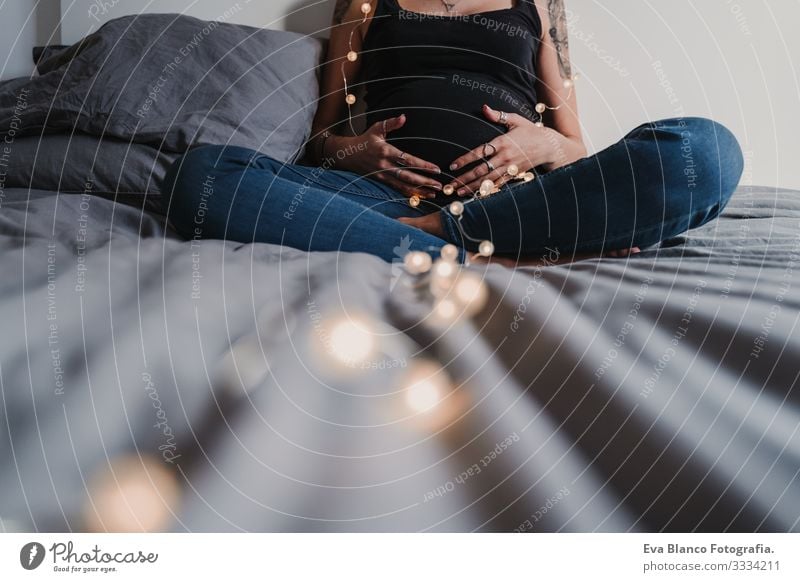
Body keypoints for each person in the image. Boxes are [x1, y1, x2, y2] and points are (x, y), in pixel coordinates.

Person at [162, 0, 744, 265]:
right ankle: (492, 247)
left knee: (707, 153)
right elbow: (322, 141)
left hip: (518, 195)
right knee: (202, 178)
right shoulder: (364, 4)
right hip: (381, 196)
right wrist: (358, 150)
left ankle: (435, 237)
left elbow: (575, 149)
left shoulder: (537, 6)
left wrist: (543, 143)